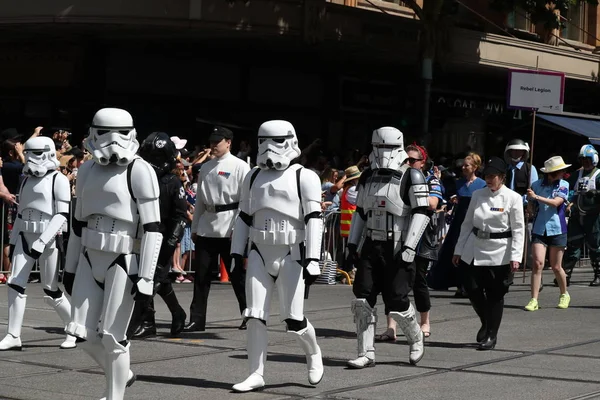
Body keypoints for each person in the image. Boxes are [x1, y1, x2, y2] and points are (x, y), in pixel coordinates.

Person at [63, 108, 162, 399]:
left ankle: (115, 394)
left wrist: (146, 277)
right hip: (89, 256)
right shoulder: (86, 170)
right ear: (93, 132)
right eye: (105, 132)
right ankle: (123, 374)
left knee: (112, 337)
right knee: (80, 333)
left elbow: (153, 228)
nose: (113, 140)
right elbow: (78, 225)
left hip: (123, 258)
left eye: (120, 132)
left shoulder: (139, 170)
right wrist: (69, 268)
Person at [230, 120, 324, 392]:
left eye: (277, 141)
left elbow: (314, 219)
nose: (270, 147)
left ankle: (313, 353)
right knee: (254, 315)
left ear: (291, 141)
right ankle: (256, 372)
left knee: (294, 319)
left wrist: (314, 259)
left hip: (291, 252)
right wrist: (236, 251)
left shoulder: (304, 177)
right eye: (264, 141)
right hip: (260, 251)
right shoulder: (253, 176)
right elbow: (244, 218)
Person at [344, 127, 430, 369]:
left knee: (397, 300)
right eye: (379, 147)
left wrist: (410, 246)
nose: (383, 152)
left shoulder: (411, 176)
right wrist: (352, 244)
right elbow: (361, 212)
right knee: (362, 299)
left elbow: (422, 212)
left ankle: (416, 338)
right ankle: (366, 352)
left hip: (398, 244)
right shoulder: (367, 176)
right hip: (372, 244)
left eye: (389, 147)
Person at [0, 137, 77, 351]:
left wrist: (43, 241)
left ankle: (74, 328)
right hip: (25, 235)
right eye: (29, 152)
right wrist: (14, 240)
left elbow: (61, 215)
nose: (32, 158)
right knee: (15, 284)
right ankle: (13, 334)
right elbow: (21, 213)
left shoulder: (58, 180)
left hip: (48, 238)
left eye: (37, 153)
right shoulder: (25, 180)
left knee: (51, 289)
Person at [452, 156, 524, 351]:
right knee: (472, 289)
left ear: (502, 177)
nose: (489, 179)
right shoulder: (478, 195)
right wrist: (459, 249)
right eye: (487, 176)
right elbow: (467, 224)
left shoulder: (513, 198)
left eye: (493, 176)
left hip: (499, 251)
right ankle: (486, 321)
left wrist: (516, 256)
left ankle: (492, 334)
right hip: (474, 248)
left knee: (495, 294)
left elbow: (518, 229)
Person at [185, 126, 250, 332]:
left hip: (230, 226)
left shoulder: (240, 167)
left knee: (237, 276)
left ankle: (249, 314)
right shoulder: (205, 168)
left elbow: (245, 202)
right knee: (201, 277)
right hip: (207, 226)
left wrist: (238, 230)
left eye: (218, 141)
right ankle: (197, 319)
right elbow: (201, 202)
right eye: (212, 141)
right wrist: (195, 228)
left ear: (228, 142)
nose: (213, 145)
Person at [375, 144, 442, 342]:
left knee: (418, 280)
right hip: (397, 234)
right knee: (391, 280)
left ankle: (425, 322)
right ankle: (391, 328)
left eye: (412, 160)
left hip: (420, 236)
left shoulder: (431, 180)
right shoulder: (398, 178)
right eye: (406, 160)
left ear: (422, 163)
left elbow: (432, 203)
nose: (408, 164)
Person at [127, 132, 188, 339]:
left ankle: (146, 320)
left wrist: (171, 242)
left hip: (162, 237)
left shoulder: (172, 182)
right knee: (149, 279)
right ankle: (171, 314)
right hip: (141, 236)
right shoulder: (138, 178)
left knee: (155, 280)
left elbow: (181, 216)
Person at [427, 153, 486, 292]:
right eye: (463, 165)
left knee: (470, 252)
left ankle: (468, 283)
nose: (464, 167)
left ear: (475, 167)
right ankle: (457, 282)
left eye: (467, 165)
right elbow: (446, 193)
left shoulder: (482, 185)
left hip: (474, 220)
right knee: (455, 250)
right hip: (459, 220)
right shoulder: (458, 182)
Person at [524, 156, 571, 311]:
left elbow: (556, 203)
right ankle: (534, 299)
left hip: (557, 229)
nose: (563, 173)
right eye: (560, 171)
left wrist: (536, 197)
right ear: (552, 173)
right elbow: (531, 208)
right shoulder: (536, 185)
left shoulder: (564, 184)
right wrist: (530, 204)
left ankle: (564, 293)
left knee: (556, 266)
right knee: (537, 264)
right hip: (539, 228)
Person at [561, 144, 600, 286]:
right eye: (583, 160)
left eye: (588, 159)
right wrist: (569, 201)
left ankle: (598, 274)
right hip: (577, 215)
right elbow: (566, 189)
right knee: (572, 245)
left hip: (593, 216)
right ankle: (565, 275)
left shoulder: (598, 174)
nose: (585, 162)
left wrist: (597, 194)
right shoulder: (576, 175)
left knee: (595, 246)